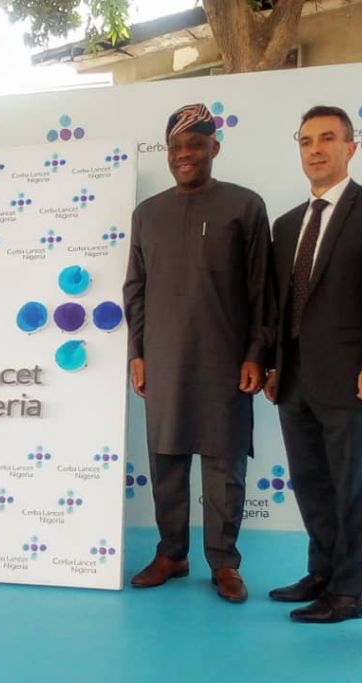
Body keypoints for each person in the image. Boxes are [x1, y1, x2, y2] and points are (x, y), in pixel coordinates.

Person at [123, 104, 272, 602]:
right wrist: (137, 352)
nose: (184, 154)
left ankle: (224, 563)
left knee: (224, 465)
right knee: (166, 462)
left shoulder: (245, 206)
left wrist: (256, 353)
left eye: (195, 145)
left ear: (215, 148)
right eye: (176, 147)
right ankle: (171, 553)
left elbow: (261, 290)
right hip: (163, 356)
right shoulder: (148, 213)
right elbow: (135, 289)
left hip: (226, 358)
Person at [264, 106, 362, 623]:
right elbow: (280, 304)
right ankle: (322, 572)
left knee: (353, 485)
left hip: (353, 376)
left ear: (351, 147)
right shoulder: (286, 224)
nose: (315, 149)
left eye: (327, 138)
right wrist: (274, 365)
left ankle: (350, 592)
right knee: (312, 482)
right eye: (305, 141)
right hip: (293, 377)